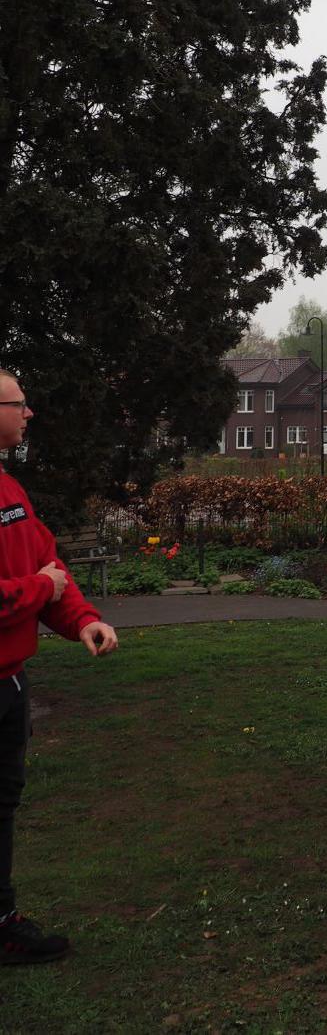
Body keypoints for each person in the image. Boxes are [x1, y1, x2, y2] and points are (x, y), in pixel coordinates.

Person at [0, 371, 118, 966]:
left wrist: (81, 619)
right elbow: (33, 583)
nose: (30, 413)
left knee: (3, 802)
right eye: (19, 404)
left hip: (10, 683)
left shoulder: (10, 490)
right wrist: (39, 587)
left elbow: (52, 567)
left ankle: (2, 922)